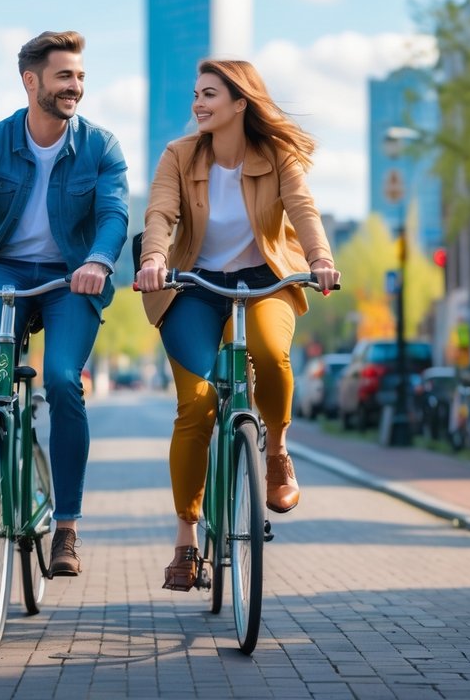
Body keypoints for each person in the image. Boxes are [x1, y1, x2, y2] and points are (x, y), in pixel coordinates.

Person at [0, 30, 129, 576]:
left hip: (71, 277)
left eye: (80, 77)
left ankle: (66, 527)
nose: (76, 87)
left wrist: (99, 262)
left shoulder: (101, 147)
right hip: (6, 272)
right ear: (31, 81)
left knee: (63, 380)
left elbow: (113, 217)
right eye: (65, 76)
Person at [134, 59, 341, 591]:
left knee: (271, 355)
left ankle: (275, 455)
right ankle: (185, 541)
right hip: (194, 284)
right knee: (196, 406)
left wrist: (319, 258)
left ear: (240, 103)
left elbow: (303, 210)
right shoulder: (179, 156)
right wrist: (153, 258)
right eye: (195, 94)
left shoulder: (276, 156)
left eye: (209, 95)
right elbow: (159, 213)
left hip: (264, 280)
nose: (197, 104)